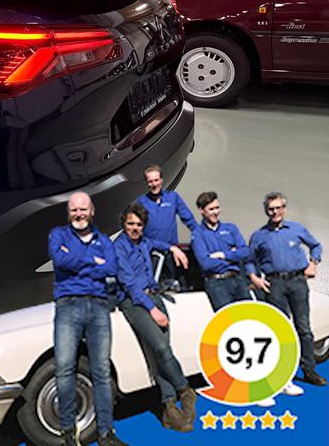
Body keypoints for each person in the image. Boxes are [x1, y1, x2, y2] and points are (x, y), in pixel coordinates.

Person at [49, 191, 127, 446]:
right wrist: (94, 262)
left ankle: (106, 434)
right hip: (68, 306)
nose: (79, 214)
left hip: (99, 307)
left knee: (102, 371)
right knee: (64, 368)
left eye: (83, 209)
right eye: (74, 210)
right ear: (68, 212)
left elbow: (111, 268)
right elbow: (60, 260)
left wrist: (78, 262)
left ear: (92, 211)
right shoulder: (57, 235)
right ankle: (68, 434)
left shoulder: (104, 240)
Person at [115, 202, 196, 432]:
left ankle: (168, 407)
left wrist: (174, 249)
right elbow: (130, 285)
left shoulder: (145, 242)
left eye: (139, 224)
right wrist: (153, 309)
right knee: (160, 348)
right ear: (124, 224)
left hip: (154, 295)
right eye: (131, 224)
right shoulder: (118, 248)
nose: (135, 228)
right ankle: (185, 390)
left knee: (162, 351)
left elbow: (158, 244)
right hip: (135, 302)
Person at [247, 192, 326, 388]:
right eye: (271, 209)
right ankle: (283, 374)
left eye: (278, 208)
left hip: (298, 282)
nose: (275, 212)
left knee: (304, 328)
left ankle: (309, 370)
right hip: (275, 285)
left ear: (284, 209)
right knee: (280, 330)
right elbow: (249, 260)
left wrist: (313, 263)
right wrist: (254, 278)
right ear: (266, 211)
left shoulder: (296, 229)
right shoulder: (259, 236)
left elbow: (316, 245)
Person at [191, 192, 251, 310]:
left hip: (237, 279)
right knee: (227, 318)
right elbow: (206, 263)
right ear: (201, 210)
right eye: (211, 209)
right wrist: (233, 257)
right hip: (216, 283)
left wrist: (223, 255)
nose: (216, 212)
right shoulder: (198, 234)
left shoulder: (231, 229)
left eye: (217, 208)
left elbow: (245, 252)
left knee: (247, 315)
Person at [137, 166, 195, 279]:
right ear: (146, 183)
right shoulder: (141, 202)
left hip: (171, 252)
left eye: (156, 180)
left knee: (172, 281)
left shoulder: (173, 198)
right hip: (151, 253)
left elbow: (189, 219)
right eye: (150, 181)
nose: (154, 184)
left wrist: (201, 236)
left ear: (161, 180)